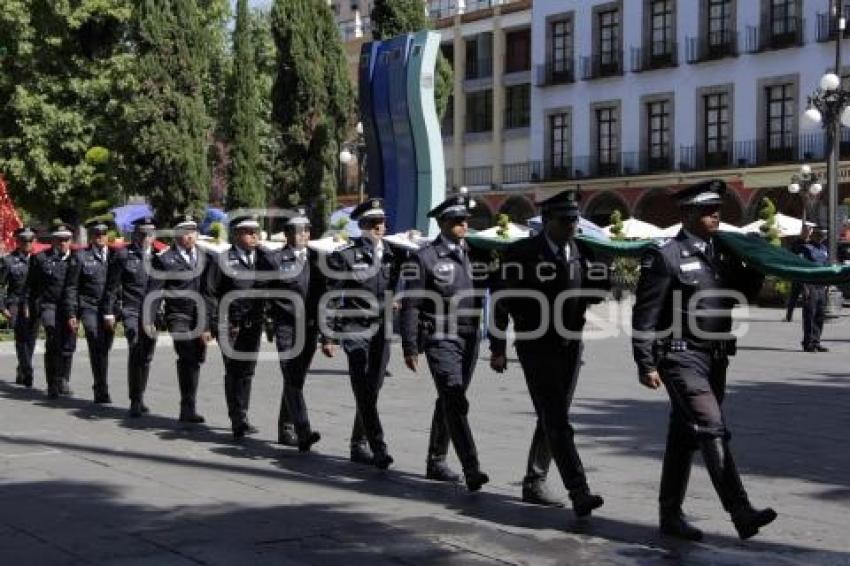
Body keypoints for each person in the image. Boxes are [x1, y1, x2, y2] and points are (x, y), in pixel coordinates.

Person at [632, 179, 777, 541]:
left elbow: (744, 294)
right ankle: (740, 511)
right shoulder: (665, 254)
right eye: (707, 210)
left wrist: (756, 260)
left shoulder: (723, 251)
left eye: (718, 210)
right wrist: (645, 363)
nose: (715, 215)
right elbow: (645, 314)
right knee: (710, 426)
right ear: (687, 213)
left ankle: (670, 515)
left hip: (716, 358)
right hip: (681, 357)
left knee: (683, 437)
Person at [489, 189, 609, 516]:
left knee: (553, 418)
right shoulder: (521, 252)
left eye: (575, 219)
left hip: (571, 346)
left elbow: (597, 293)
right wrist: (497, 347)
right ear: (547, 221)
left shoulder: (583, 250)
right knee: (556, 418)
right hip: (535, 345)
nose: (572, 225)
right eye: (565, 220)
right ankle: (578, 490)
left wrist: (605, 267)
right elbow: (500, 301)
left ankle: (534, 480)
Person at [399, 191, 489, 492]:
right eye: (456, 220)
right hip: (440, 335)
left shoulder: (476, 253)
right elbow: (411, 303)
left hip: (470, 336)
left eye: (465, 220)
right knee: (455, 398)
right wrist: (410, 345)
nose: (463, 224)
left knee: (450, 399)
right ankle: (471, 467)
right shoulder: (424, 257)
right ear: (442, 222)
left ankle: (436, 460)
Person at [325, 199, 399, 469]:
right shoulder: (346, 255)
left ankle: (358, 444)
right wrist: (329, 335)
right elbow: (332, 296)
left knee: (373, 388)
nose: (380, 227)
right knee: (363, 389)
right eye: (373, 223)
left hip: (382, 330)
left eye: (382, 222)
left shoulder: (394, 253)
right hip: (355, 328)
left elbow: (400, 283)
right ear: (362, 226)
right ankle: (377, 446)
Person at [260, 210, 332, 451]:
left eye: (306, 230)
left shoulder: (319, 259)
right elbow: (263, 292)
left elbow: (325, 297)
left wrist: (327, 334)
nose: (303, 235)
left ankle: (286, 428)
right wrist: (269, 319)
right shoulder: (275, 260)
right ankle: (303, 430)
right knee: (291, 376)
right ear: (288, 234)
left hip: (309, 328)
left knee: (296, 380)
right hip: (286, 328)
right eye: (298, 231)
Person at [204, 215, 268, 439]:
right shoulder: (222, 260)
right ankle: (237, 418)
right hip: (229, 325)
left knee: (248, 371)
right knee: (234, 370)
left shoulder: (262, 258)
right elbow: (210, 294)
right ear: (237, 235)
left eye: (256, 232)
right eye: (249, 232)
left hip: (254, 324)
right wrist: (209, 325)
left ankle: (243, 414)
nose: (254, 236)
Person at [147, 214, 212, 424]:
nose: (190, 236)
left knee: (197, 359)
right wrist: (149, 319)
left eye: (193, 232)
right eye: (185, 233)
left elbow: (210, 291)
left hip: (199, 316)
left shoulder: (205, 256)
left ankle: (189, 405)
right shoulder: (165, 259)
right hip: (178, 316)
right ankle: (187, 407)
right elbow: (155, 291)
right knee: (187, 356)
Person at [102, 216, 159, 417]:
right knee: (136, 350)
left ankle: (140, 396)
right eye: (142, 233)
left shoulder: (159, 257)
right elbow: (111, 287)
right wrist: (109, 313)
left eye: (150, 234)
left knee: (147, 356)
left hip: (152, 314)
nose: (146, 237)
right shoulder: (123, 255)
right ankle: (135, 400)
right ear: (135, 234)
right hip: (131, 310)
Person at [64, 220, 115, 403]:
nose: (100, 237)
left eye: (103, 234)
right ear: (92, 237)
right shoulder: (81, 256)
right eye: (96, 234)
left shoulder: (116, 255)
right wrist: (71, 313)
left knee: (104, 348)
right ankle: (101, 387)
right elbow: (71, 287)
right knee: (95, 339)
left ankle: (100, 382)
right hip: (89, 306)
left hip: (110, 308)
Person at [25, 223, 77, 398]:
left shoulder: (78, 258)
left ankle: (64, 379)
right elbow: (30, 285)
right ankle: (52, 382)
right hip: (49, 305)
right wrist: (29, 306)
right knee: (53, 339)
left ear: (71, 240)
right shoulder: (40, 258)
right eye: (60, 239)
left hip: (70, 306)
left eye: (66, 240)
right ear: (53, 240)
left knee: (68, 343)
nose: (63, 243)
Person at [0, 227, 39, 387]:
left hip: (34, 304)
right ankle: (27, 369)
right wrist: (2, 308)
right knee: (21, 338)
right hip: (15, 303)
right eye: (24, 240)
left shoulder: (39, 260)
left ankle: (22, 368)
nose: (27, 244)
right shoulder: (8, 260)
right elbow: (1, 286)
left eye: (30, 240)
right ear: (17, 241)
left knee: (31, 339)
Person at [799, 226, 829, 352]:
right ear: (814, 235)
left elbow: (826, 266)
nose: (822, 237)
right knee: (810, 314)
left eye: (824, 235)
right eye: (820, 234)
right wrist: (804, 286)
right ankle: (808, 342)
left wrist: (828, 284)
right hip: (810, 284)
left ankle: (816, 341)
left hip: (821, 285)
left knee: (820, 315)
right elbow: (801, 267)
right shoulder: (806, 248)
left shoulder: (824, 248)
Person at [784, 224, 811, 322]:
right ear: (802, 231)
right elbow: (791, 255)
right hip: (798, 271)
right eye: (804, 231)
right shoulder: (796, 243)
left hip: (808, 272)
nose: (806, 233)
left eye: (808, 231)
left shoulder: (811, 244)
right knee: (794, 296)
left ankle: (806, 317)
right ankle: (788, 316)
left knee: (807, 296)